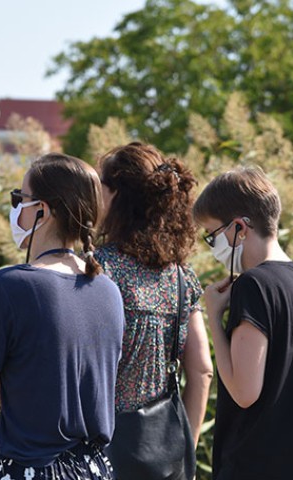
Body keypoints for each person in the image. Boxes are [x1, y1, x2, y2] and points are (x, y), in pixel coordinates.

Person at [0, 153, 125, 480]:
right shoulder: (109, 292)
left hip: (30, 468)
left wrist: (13, 391)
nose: (15, 207)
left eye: (20, 199)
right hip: (95, 469)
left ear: (42, 211)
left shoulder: (9, 287)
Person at [193, 166, 293, 480]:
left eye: (213, 235)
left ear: (240, 227)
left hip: (259, 465)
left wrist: (214, 318)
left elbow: (245, 391)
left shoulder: (254, 286)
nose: (213, 247)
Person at [95, 142, 213, 448]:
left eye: (99, 186)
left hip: (101, 449)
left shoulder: (97, 269)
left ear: (115, 196)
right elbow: (202, 370)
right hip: (161, 453)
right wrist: (184, 448)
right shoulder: (181, 277)